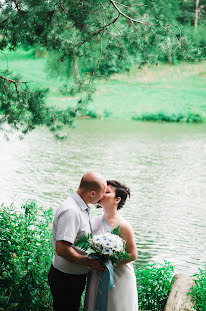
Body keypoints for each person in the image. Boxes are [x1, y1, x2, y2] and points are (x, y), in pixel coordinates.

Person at [48, 171, 107, 311]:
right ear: (92, 193)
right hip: (65, 279)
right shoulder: (71, 211)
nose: (103, 196)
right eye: (102, 193)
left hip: (72, 277)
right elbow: (62, 249)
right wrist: (90, 263)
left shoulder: (81, 207)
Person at [84, 180, 138, 311]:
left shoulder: (123, 226)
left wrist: (109, 265)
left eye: (107, 192)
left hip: (118, 276)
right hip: (96, 273)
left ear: (117, 199)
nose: (101, 194)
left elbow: (133, 254)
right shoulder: (93, 221)